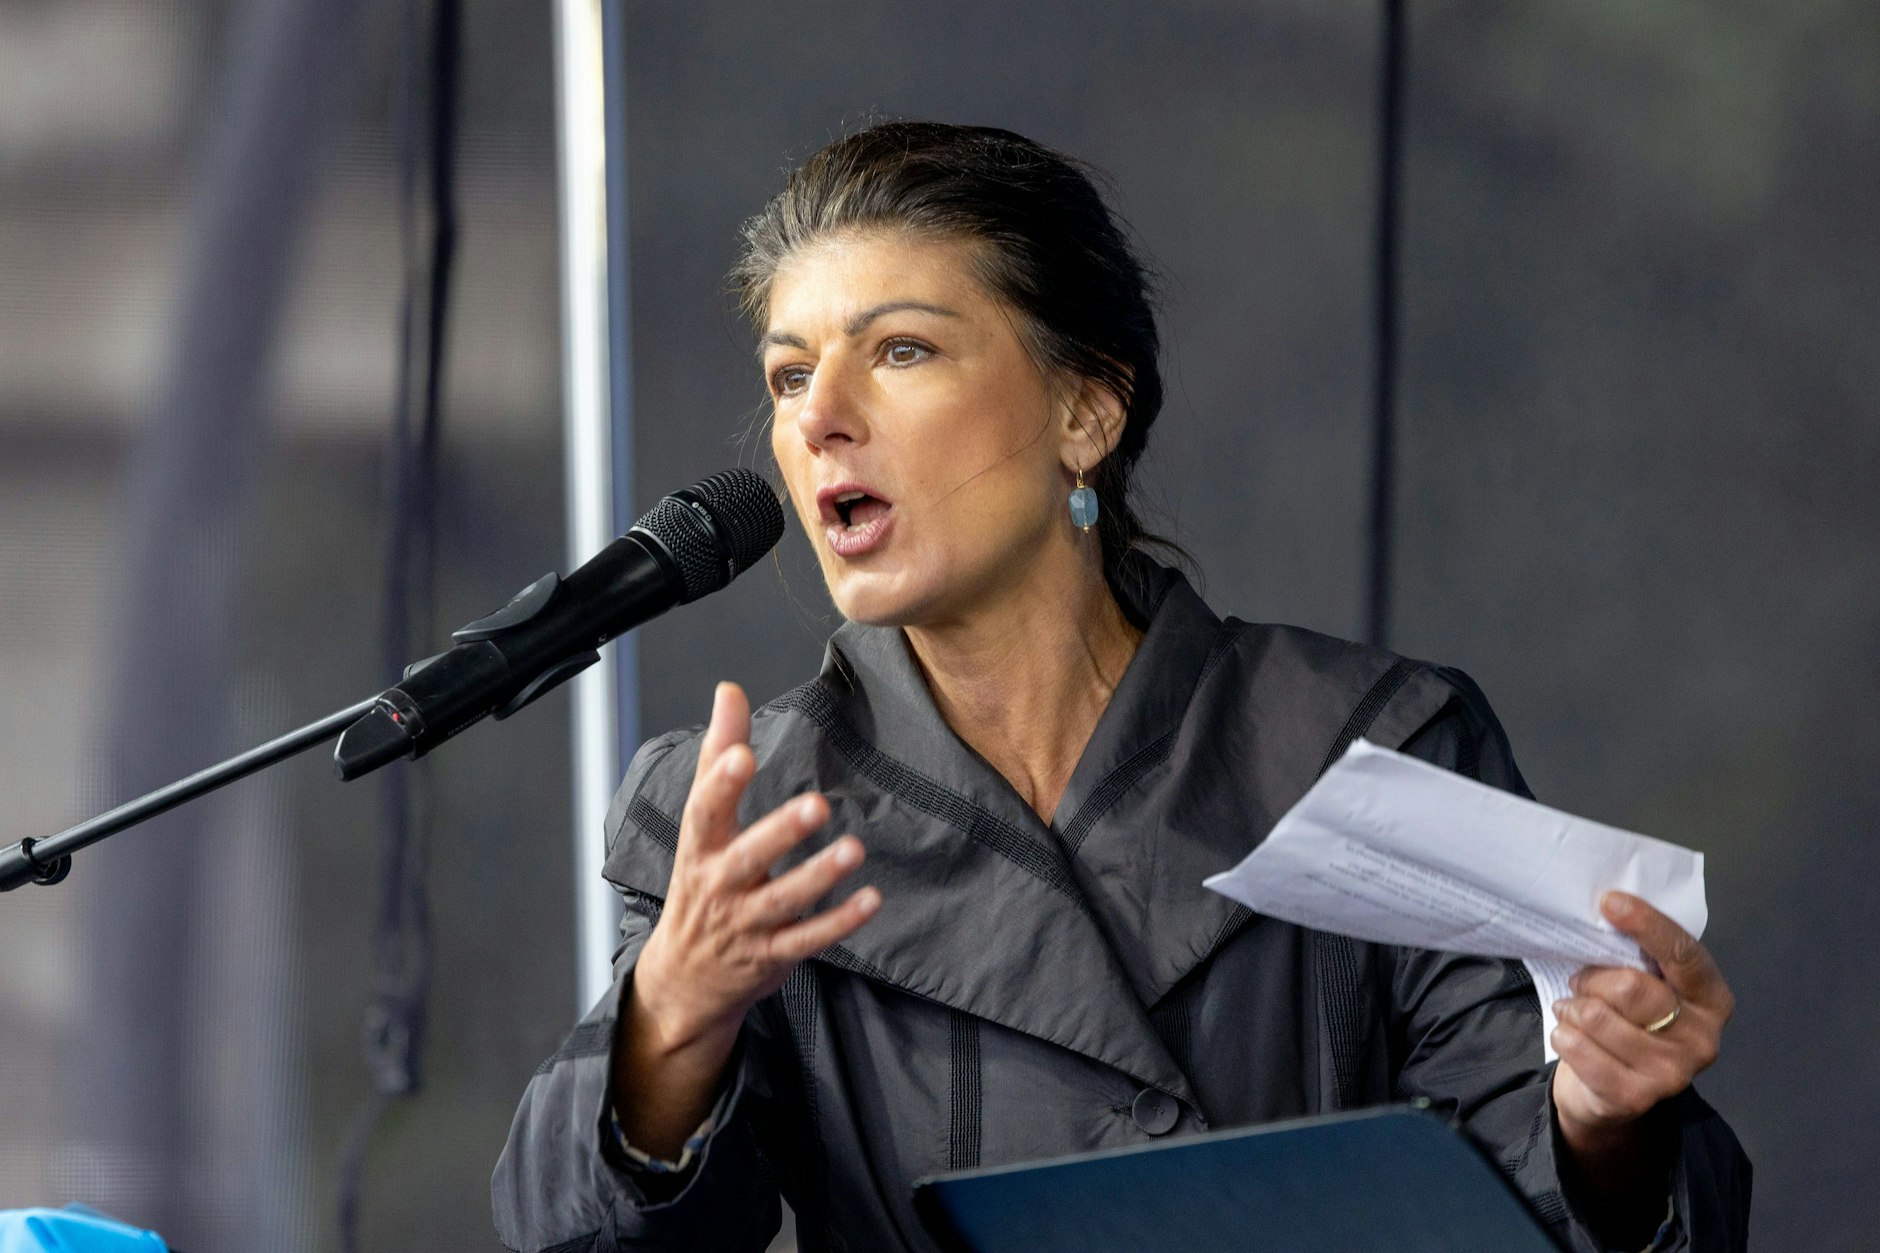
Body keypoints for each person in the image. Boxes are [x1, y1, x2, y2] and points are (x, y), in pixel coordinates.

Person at [491, 122, 1749, 1253]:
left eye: (901, 350)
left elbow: (1539, 1206)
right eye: (786, 374)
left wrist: (1600, 1122)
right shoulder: (739, 815)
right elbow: (583, 1240)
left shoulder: (1368, 744)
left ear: (1085, 414)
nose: (818, 415)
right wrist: (669, 1021)